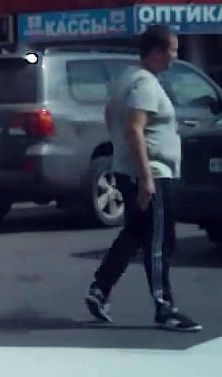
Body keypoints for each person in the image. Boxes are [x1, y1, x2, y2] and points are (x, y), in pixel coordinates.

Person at [84, 25, 201, 332]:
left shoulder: (127, 78)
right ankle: (166, 309)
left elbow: (110, 114)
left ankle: (99, 290)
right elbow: (134, 127)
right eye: (172, 51)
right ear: (156, 52)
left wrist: (122, 152)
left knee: (134, 234)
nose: (174, 58)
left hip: (130, 170)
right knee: (160, 241)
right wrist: (147, 177)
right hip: (152, 175)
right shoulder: (146, 84)